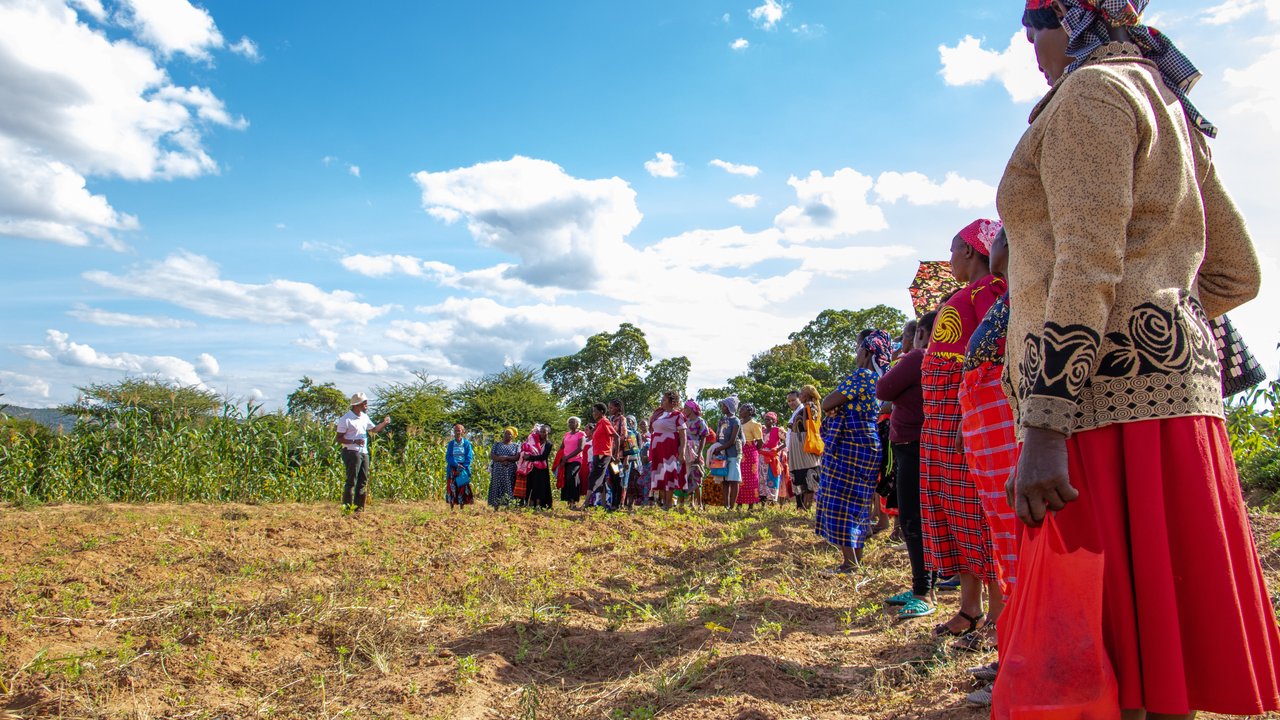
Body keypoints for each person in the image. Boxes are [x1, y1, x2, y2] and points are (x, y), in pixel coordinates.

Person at [995, 2, 1278, 716]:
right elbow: (1235, 275)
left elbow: (1087, 262)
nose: (1032, 47)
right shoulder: (1171, 107)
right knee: (1153, 656)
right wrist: (1164, 332)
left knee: (1105, 652)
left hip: (1095, 411)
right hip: (1172, 413)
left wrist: (1047, 426)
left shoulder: (1092, 96)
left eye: (1036, 27)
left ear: (1072, 20)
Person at [919, 219, 1005, 642]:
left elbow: (990, 361)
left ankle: (998, 616)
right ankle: (969, 608)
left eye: (953, 250)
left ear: (971, 251)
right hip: (942, 423)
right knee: (958, 516)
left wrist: (967, 419)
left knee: (982, 514)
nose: (949, 258)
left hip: (965, 420)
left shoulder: (991, 293)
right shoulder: (962, 296)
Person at [816, 330, 893, 573]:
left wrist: (837, 408)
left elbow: (827, 403)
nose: (856, 353)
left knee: (843, 501)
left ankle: (850, 563)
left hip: (852, 445)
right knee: (857, 501)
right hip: (866, 442)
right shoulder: (879, 379)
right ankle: (852, 561)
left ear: (868, 352)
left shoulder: (862, 376)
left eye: (859, 349)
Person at [877, 312, 935, 619]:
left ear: (921, 334)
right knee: (924, 518)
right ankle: (924, 586)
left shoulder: (916, 359)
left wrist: (905, 355)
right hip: (919, 443)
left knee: (914, 521)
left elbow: (883, 390)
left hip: (912, 445)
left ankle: (922, 591)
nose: (903, 342)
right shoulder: (933, 358)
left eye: (907, 336)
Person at [334, 392, 390, 513]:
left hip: (363, 452)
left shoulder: (364, 417)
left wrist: (384, 423)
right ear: (357, 405)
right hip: (351, 451)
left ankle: (359, 510)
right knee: (351, 481)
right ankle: (347, 510)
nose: (367, 405)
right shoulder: (346, 419)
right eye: (364, 403)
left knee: (363, 481)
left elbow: (374, 430)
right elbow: (338, 438)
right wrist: (353, 441)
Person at [648, 390, 689, 509]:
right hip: (658, 449)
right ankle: (663, 502)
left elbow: (683, 435)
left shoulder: (677, 415)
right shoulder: (659, 414)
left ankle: (669, 503)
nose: (662, 401)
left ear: (672, 402)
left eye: (664, 399)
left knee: (669, 474)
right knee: (660, 475)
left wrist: (682, 452)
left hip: (669, 449)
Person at [787, 386, 823, 511]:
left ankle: (807, 506)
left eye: (801, 393)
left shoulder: (810, 407)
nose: (800, 395)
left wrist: (794, 425)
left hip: (804, 442)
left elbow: (810, 426)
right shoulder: (802, 409)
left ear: (807, 395)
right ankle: (801, 506)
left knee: (809, 471)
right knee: (799, 472)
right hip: (798, 442)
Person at [710, 397, 743, 509]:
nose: (722, 408)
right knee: (724, 480)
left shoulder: (736, 421)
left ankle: (732, 507)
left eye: (724, 406)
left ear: (730, 407)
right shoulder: (721, 420)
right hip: (722, 454)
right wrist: (717, 449)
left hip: (733, 453)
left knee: (733, 480)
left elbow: (732, 440)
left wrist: (719, 448)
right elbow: (718, 437)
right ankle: (726, 506)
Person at [587, 403, 619, 510]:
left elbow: (616, 436)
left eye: (595, 411)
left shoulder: (605, 422)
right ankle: (604, 506)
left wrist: (616, 455)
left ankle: (586, 504)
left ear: (601, 412)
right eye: (593, 411)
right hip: (598, 453)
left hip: (603, 454)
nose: (593, 413)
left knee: (593, 477)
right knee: (602, 480)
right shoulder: (599, 423)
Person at [681, 400, 711, 509]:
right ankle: (691, 502)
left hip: (695, 449)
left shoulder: (700, 421)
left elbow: (703, 438)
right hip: (686, 450)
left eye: (686, 408)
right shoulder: (685, 421)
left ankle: (700, 503)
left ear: (692, 409)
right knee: (688, 475)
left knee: (696, 476)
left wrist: (699, 454)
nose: (684, 410)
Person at [521, 424, 554, 509]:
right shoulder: (535, 442)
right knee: (531, 484)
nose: (542, 434)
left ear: (548, 433)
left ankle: (539, 504)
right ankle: (531, 503)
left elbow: (543, 457)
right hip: (532, 467)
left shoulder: (548, 443)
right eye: (541, 432)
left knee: (540, 485)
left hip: (542, 468)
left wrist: (530, 458)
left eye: (544, 432)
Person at [558, 417, 588, 508]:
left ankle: (573, 501)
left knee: (572, 477)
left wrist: (568, 457)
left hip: (576, 460)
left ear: (577, 424)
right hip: (565, 460)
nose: (570, 424)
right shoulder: (566, 434)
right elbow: (562, 447)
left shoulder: (581, 434)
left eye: (572, 422)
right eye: (569, 422)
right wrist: (561, 458)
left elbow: (580, 448)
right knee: (566, 479)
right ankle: (568, 501)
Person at [487, 426, 520, 509]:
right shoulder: (497, 445)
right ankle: (496, 506)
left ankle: (509, 506)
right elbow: (492, 455)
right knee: (496, 486)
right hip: (497, 470)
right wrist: (500, 459)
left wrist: (506, 458)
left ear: (513, 436)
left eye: (509, 434)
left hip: (510, 471)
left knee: (509, 486)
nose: (506, 435)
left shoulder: (516, 446)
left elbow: (517, 457)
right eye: (505, 433)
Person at [760, 411, 789, 503]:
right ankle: (762, 500)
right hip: (761, 458)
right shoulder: (762, 431)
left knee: (772, 477)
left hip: (772, 458)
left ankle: (772, 500)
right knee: (761, 478)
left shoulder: (777, 430)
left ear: (774, 421)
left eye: (769, 420)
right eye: (765, 419)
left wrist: (777, 449)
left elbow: (787, 440)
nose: (767, 421)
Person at [737, 403, 763, 509]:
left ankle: (751, 505)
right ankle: (739, 503)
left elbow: (760, 441)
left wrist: (752, 450)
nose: (740, 411)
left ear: (749, 412)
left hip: (750, 452)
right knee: (740, 478)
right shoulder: (739, 423)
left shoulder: (754, 424)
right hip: (740, 451)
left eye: (742, 410)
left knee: (751, 479)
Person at [445, 423, 475, 509]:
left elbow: (469, 457)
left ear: (463, 432)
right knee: (452, 486)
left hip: (463, 468)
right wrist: (456, 465)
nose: (457, 432)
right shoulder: (451, 444)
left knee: (462, 486)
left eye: (459, 430)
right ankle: (452, 506)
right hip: (453, 467)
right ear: (453, 432)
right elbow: (448, 456)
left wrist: (462, 467)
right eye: (456, 430)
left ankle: (462, 506)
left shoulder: (466, 443)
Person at [623, 415, 644, 508]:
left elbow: (638, 448)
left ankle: (630, 502)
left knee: (632, 482)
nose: (629, 423)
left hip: (633, 460)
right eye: (627, 421)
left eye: (631, 421)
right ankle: (623, 501)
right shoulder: (623, 432)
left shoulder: (635, 433)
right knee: (623, 481)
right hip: (622, 458)